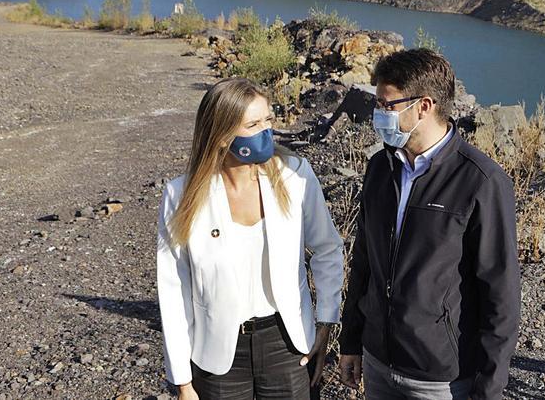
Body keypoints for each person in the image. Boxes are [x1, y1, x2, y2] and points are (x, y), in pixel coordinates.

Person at [338, 48, 520, 400]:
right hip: (378, 364)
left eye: (386, 105)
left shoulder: (481, 182)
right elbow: (363, 262)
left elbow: (501, 297)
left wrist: (489, 390)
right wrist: (352, 340)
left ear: (424, 106)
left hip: (439, 380)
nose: (378, 115)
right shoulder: (380, 167)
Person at [157, 77, 345, 399]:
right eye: (253, 124)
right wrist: (183, 381)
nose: (266, 131)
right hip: (217, 356)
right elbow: (174, 289)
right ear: (221, 134)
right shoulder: (181, 195)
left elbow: (328, 248)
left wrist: (325, 321)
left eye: (268, 119)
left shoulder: (295, 175)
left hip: (286, 345)